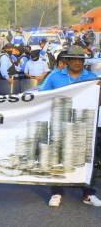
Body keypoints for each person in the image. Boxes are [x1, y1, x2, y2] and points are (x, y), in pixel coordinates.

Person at [40, 45, 101, 207]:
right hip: (59, 123)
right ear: (66, 61)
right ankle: (56, 192)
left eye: (80, 59)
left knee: (87, 159)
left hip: (84, 124)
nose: (77, 62)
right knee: (57, 157)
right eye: (74, 59)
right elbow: (41, 95)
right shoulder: (54, 76)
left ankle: (88, 194)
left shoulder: (92, 77)